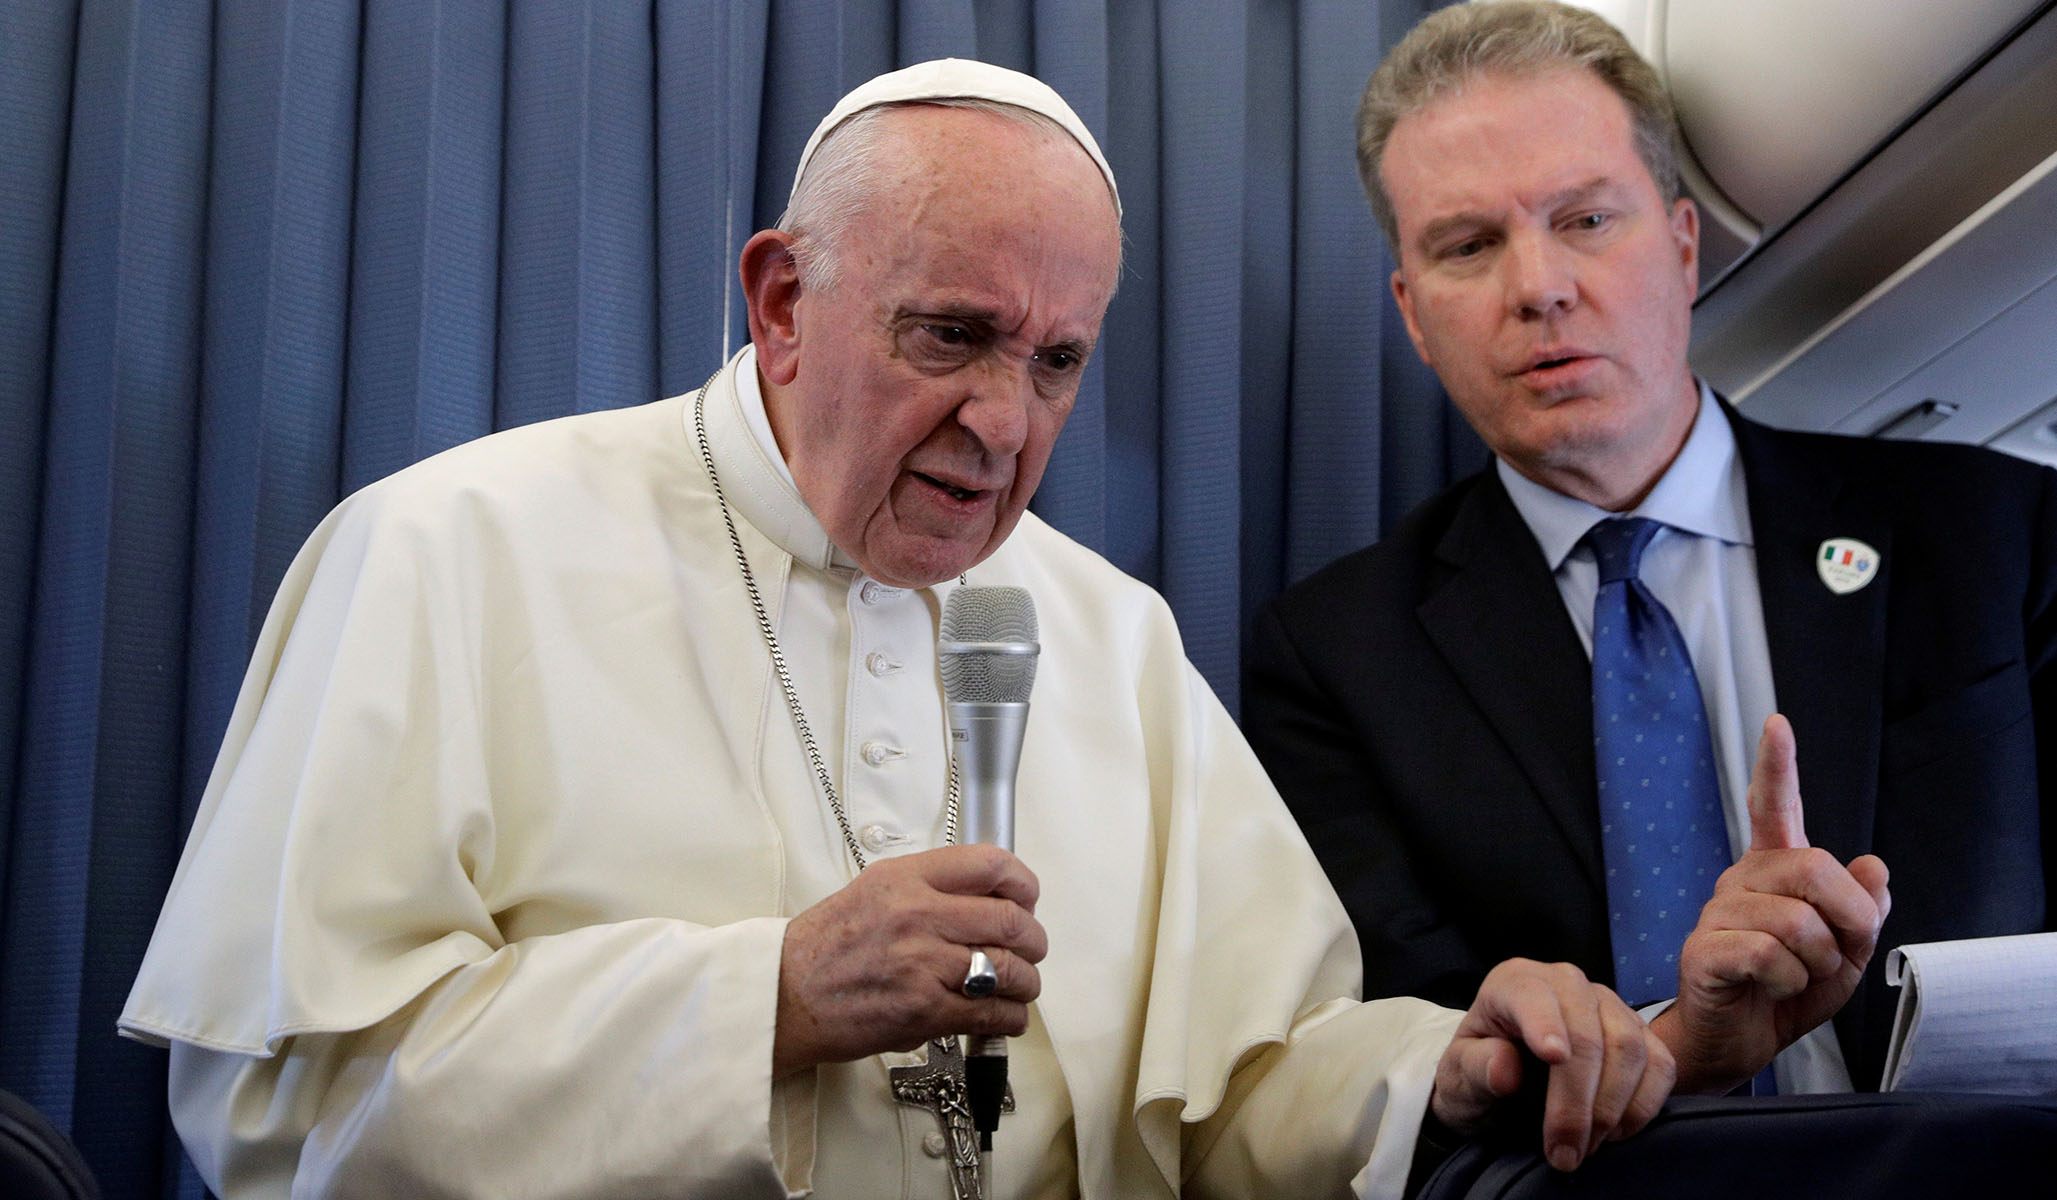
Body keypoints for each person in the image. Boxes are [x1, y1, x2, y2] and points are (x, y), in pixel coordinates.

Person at [123, 59, 1678, 1199]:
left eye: (1057, 362)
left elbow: (1244, 1087)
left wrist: (1436, 1071)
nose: (1004, 423)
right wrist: (772, 999)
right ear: (782, 303)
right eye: (952, 336)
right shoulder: (451, 549)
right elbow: (283, 1109)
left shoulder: (1112, 637)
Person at [1245, 0, 2047, 1099]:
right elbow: (1406, 1058)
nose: (1537, 287)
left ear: (1679, 245)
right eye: (1468, 246)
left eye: (1584, 219)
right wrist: (1667, 1045)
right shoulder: (1334, 657)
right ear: (1414, 316)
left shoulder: (1995, 531)